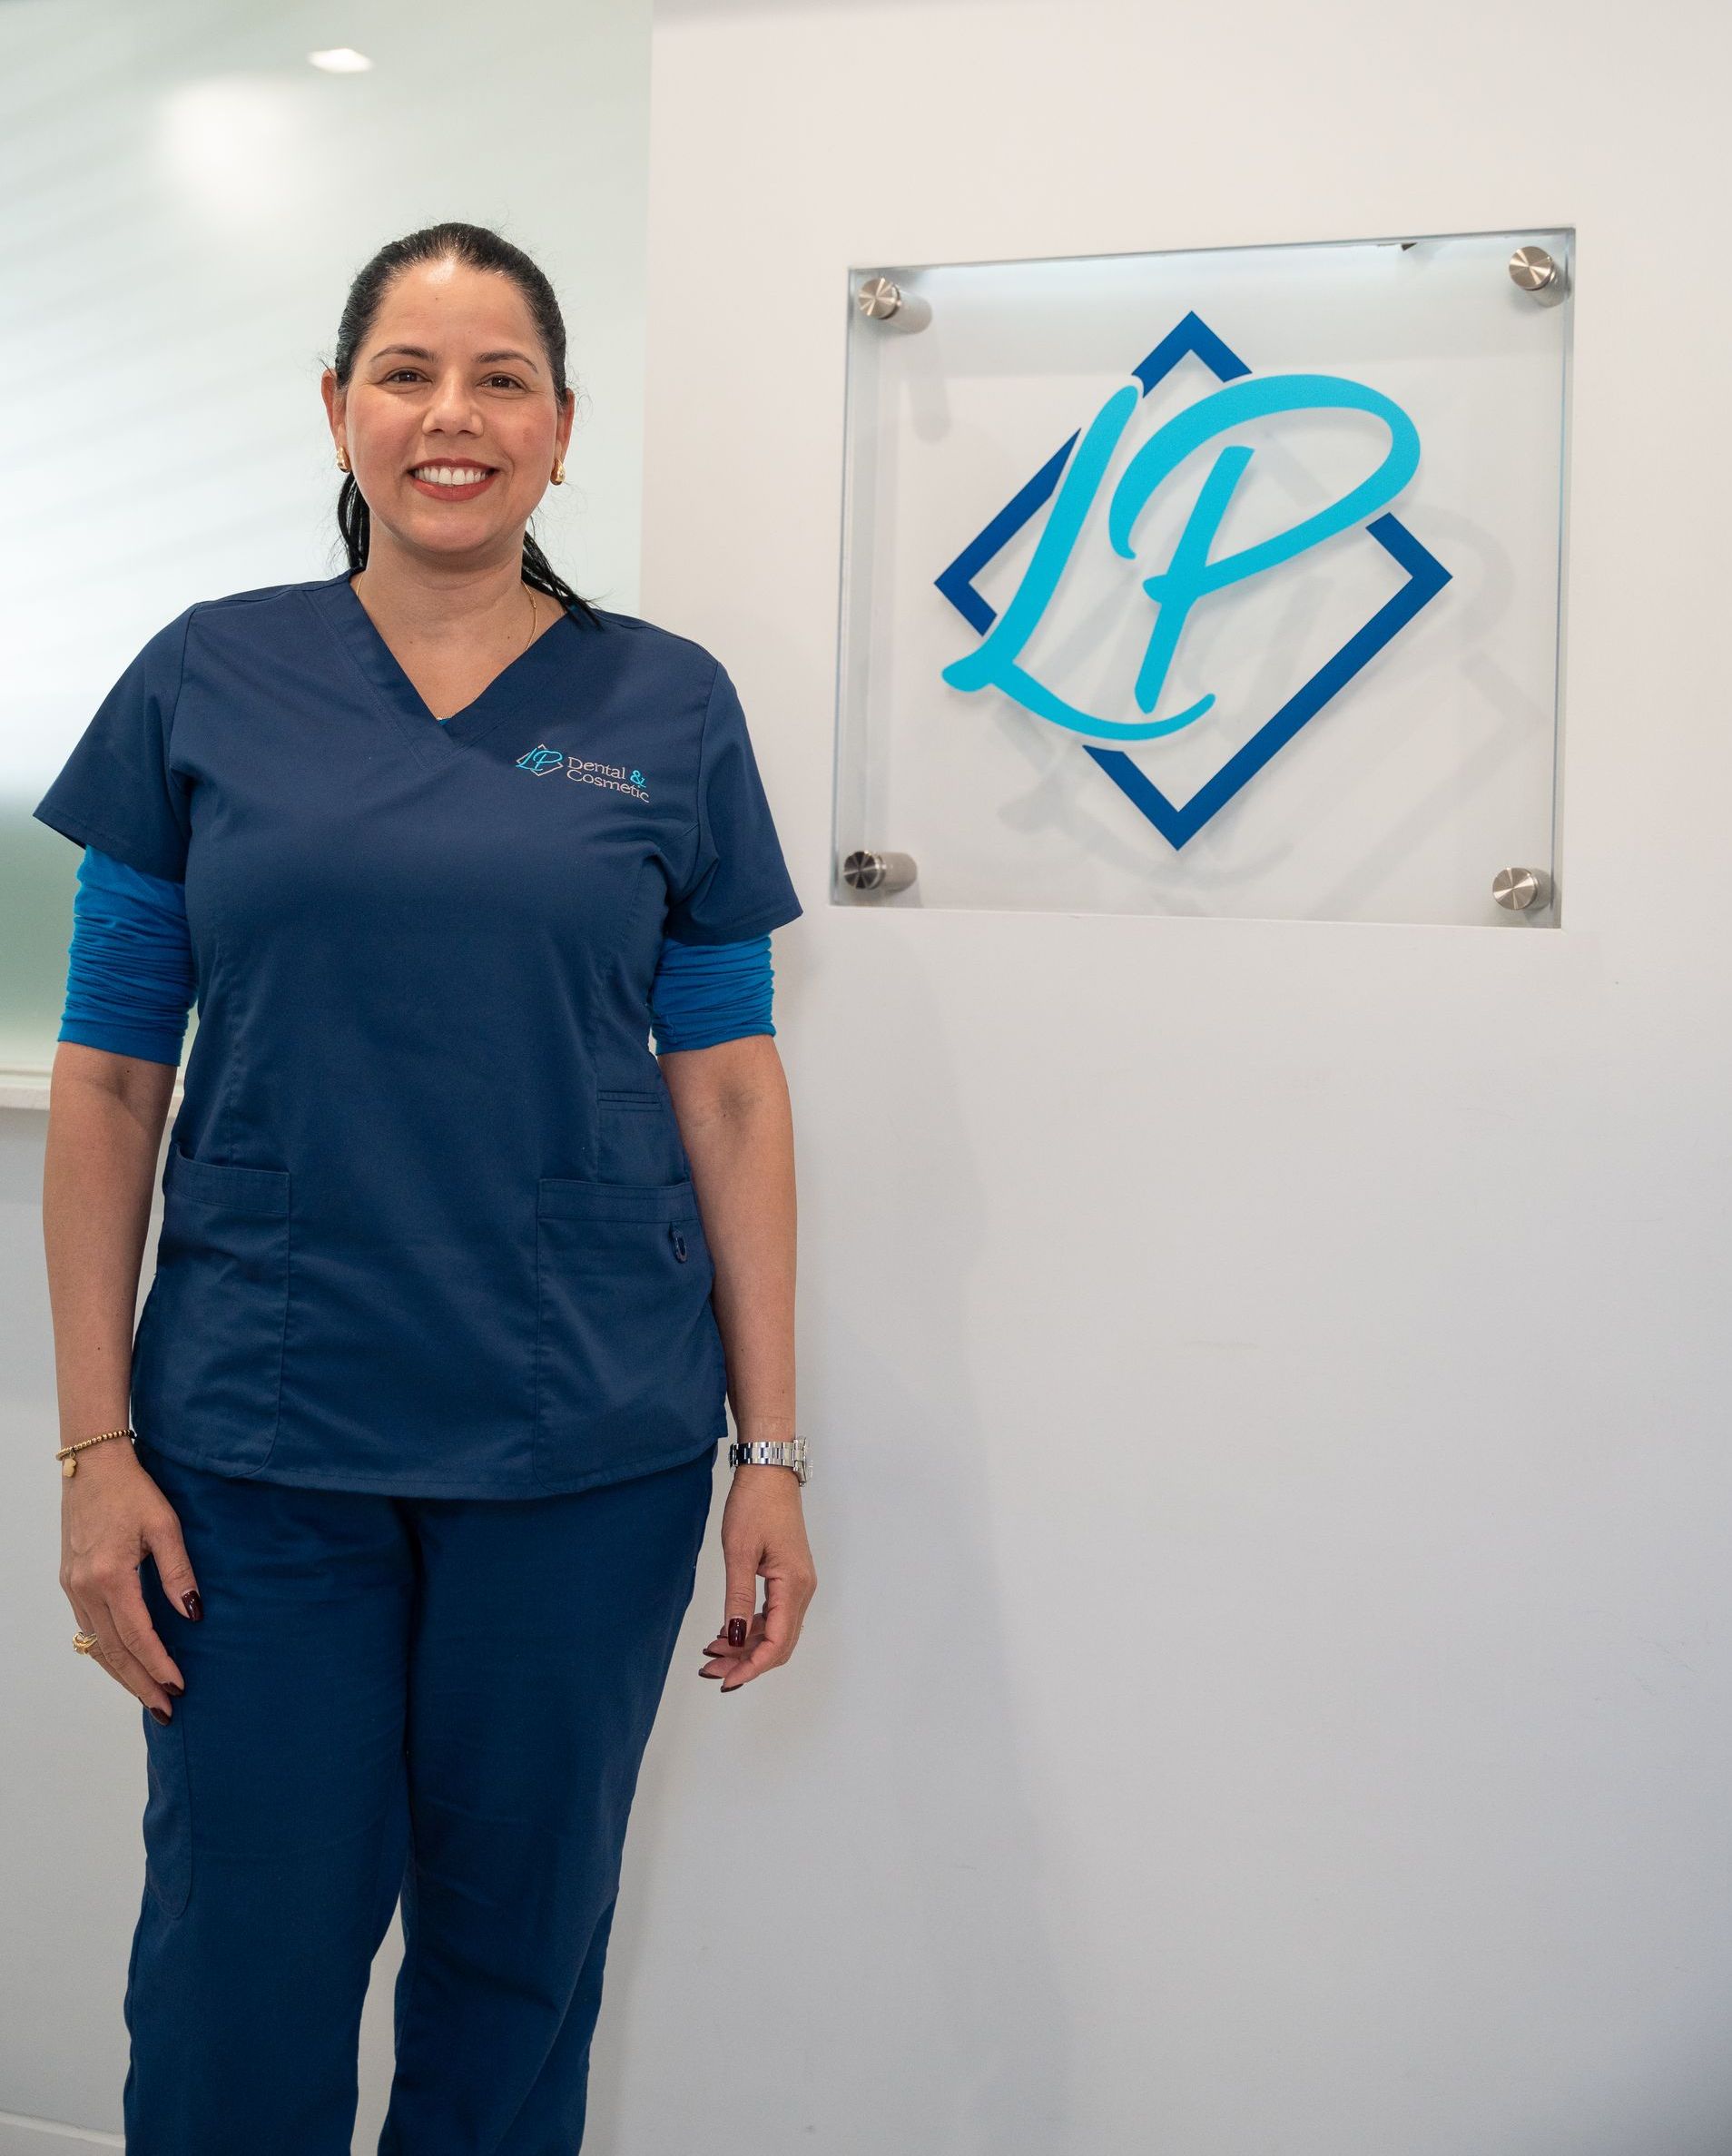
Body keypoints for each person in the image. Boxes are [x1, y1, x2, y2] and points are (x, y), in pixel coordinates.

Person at [34, 219, 817, 2155]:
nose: (450, 418)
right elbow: (115, 1075)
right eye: (406, 372)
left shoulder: (669, 706)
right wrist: (90, 1450)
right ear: (338, 407)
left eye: (499, 381)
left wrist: (774, 1455)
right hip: (259, 1451)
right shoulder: (205, 681)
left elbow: (725, 1090)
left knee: (515, 1967)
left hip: (588, 1452)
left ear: (562, 430)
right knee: (242, 1966)